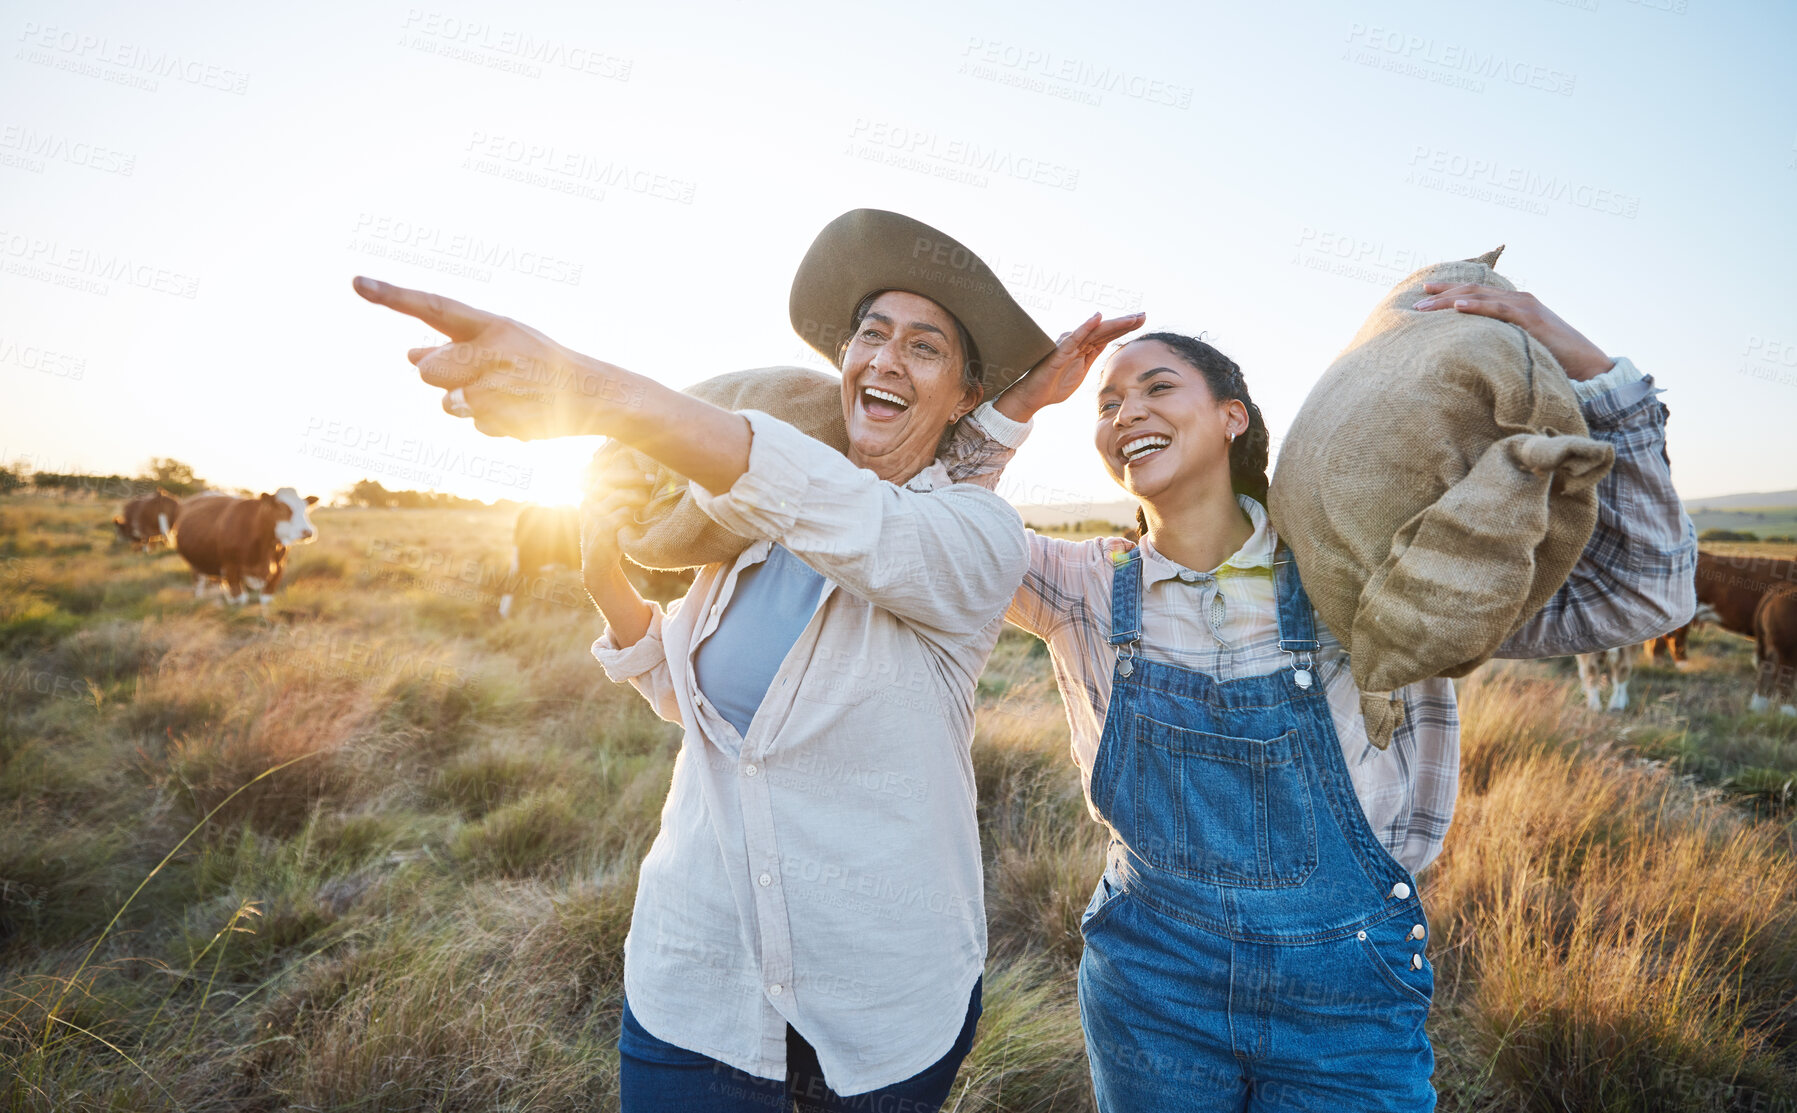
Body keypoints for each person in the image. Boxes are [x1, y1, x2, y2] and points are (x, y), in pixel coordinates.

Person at [353, 207, 1141, 1112]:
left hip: (882, 1011)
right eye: (870, 334)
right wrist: (607, 584)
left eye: (924, 348)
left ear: (963, 395)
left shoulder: (975, 536)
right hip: (696, 988)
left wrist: (590, 389)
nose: (884, 358)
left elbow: (861, 516)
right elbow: (707, 714)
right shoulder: (746, 539)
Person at [958, 283, 1698, 1111]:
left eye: (1157, 386)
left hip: (1345, 1000)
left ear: (1231, 416)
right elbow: (939, 522)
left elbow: (1646, 589)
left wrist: (1587, 366)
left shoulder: (1370, 572)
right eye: (1105, 402)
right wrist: (1020, 404)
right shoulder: (1081, 586)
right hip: (1149, 987)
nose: (1125, 411)